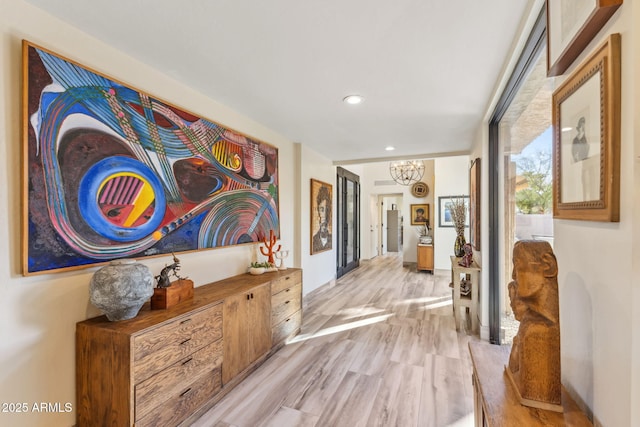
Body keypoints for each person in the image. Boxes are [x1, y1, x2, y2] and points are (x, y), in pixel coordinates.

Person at [506, 240, 561, 407]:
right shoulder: (531, 324)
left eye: (518, 264)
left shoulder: (540, 330)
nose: (514, 275)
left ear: (548, 266)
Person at [312, 185, 332, 252]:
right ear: (318, 211)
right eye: (322, 209)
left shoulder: (332, 239)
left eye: (327, 210)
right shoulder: (314, 240)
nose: (324, 215)